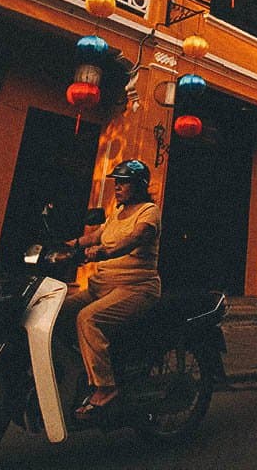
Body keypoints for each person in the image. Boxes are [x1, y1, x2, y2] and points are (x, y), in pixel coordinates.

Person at [61, 159, 162, 420]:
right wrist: (64, 247)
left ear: (139, 185)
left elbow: (136, 238)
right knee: (56, 311)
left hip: (135, 288)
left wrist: (105, 253)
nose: (117, 186)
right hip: (101, 286)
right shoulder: (117, 212)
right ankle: (76, 372)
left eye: (124, 182)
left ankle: (106, 388)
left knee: (88, 318)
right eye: (116, 181)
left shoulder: (148, 211)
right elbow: (94, 237)